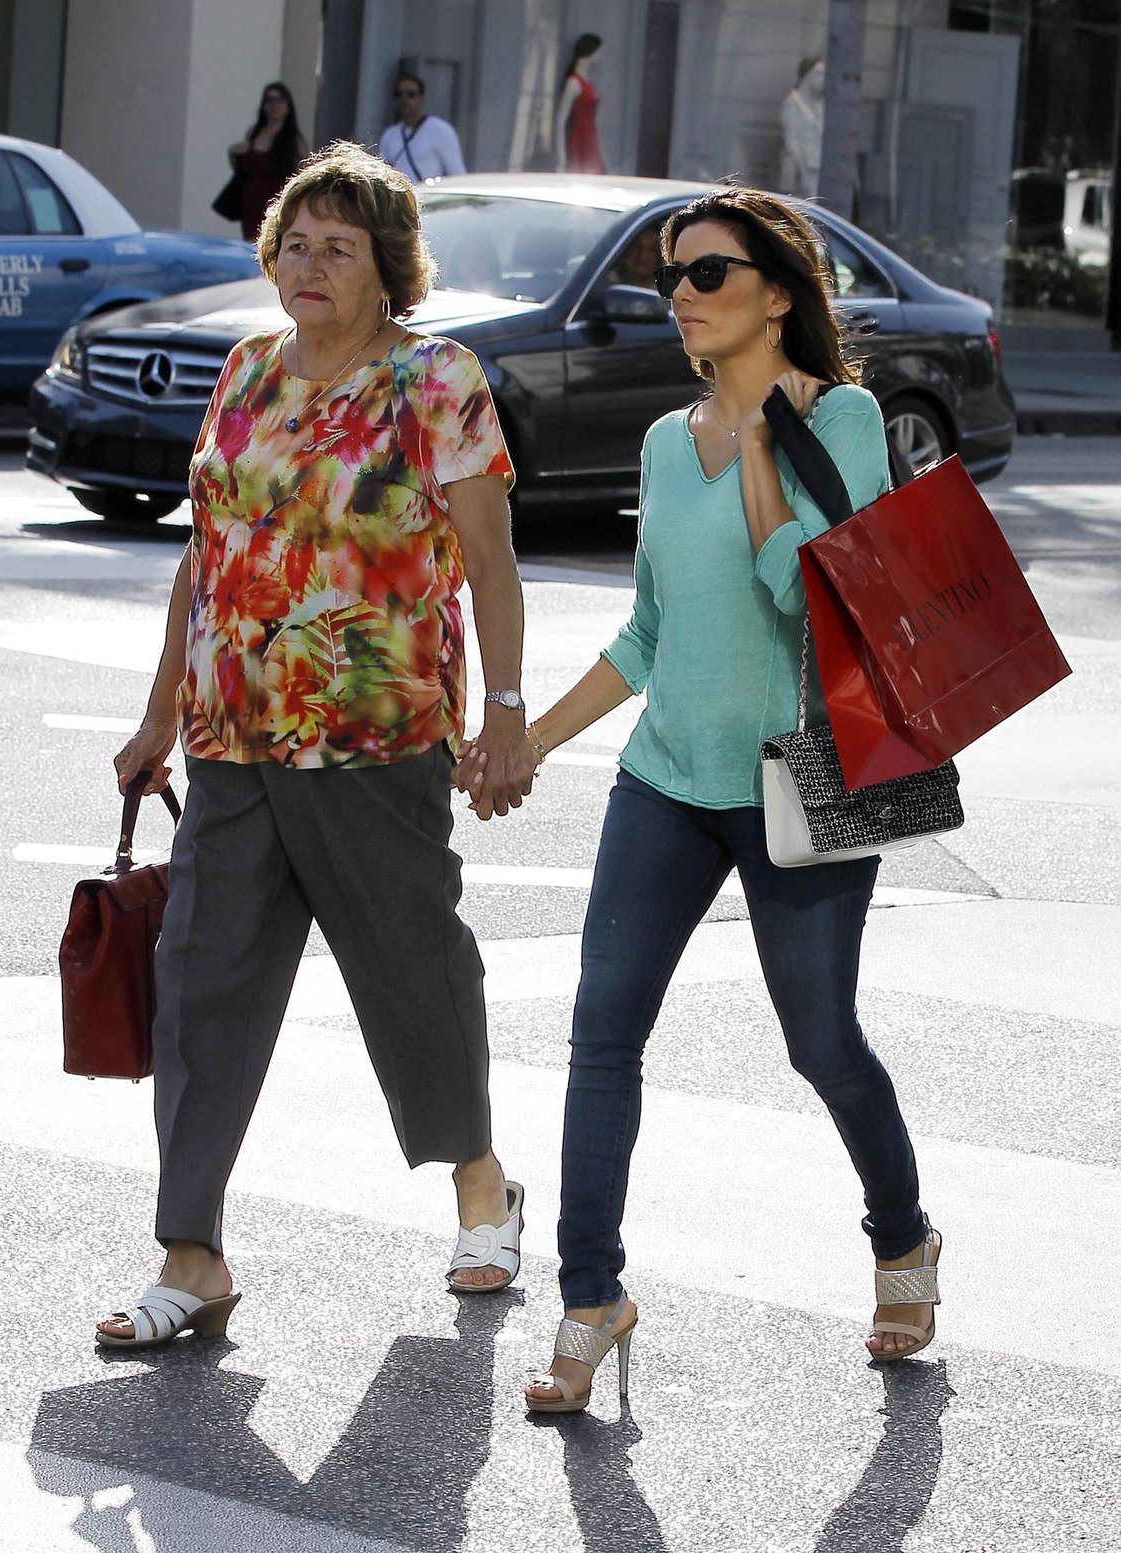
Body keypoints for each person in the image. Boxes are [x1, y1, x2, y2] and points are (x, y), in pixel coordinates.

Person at [457, 186, 942, 1413]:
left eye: (708, 273)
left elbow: (805, 599)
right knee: (601, 1030)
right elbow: (647, 634)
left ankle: (902, 1236)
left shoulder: (847, 420)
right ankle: (589, 1298)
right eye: (672, 274)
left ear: (777, 291)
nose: (680, 293)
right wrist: (518, 741)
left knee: (820, 1040)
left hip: (806, 785)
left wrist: (770, 448)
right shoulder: (666, 442)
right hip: (667, 779)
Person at [96, 140, 534, 1350]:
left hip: (377, 731)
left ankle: (481, 1185)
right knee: (200, 987)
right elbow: (210, 551)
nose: (309, 262)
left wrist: (504, 710)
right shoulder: (245, 370)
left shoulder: (435, 380)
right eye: (294, 241)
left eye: (339, 246)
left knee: (410, 970)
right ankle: (193, 1253)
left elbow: (489, 559)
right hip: (231, 732)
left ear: (389, 269)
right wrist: (154, 715)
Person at [226, 81, 310, 241]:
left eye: (279, 100)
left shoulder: (292, 139)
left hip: (275, 204)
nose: (274, 105)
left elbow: (306, 168)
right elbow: (242, 169)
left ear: (287, 106)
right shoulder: (254, 133)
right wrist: (233, 153)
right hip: (251, 203)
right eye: (270, 100)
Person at [379, 73, 466, 184]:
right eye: (399, 95)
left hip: (428, 198)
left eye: (411, 94)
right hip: (400, 198)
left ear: (421, 97)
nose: (404, 99)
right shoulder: (390, 135)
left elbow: (457, 174)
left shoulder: (440, 130)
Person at [556, 33, 605, 175]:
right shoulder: (574, 83)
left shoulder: (586, 83)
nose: (600, 55)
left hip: (591, 139)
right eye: (599, 51)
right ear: (590, 51)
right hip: (580, 139)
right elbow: (560, 121)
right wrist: (561, 158)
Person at [779, 57, 824, 199]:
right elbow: (791, 141)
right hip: (803, 171)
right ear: (807, 75)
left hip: (819, 169)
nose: (822, 79)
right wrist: (802, 172)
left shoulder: (821, 105)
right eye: (817, 74)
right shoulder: (793, 102)